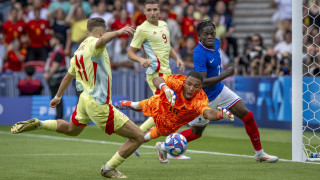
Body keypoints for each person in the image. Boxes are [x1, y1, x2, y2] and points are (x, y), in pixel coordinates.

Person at [11, 17, 144, 178]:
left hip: (84, 99)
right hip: (98, 103)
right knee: (138, 137)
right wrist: (119, 31)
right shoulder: (95, 45)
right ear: (101, 31)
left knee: (71, 130)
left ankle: (40, 124)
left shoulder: (78, 52)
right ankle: (109, 168)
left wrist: (57, 96)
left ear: (87, 32)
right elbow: (101, 42)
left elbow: (67, 77)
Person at [178, 20, 279, 163]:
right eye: (205, 34)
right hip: (206, 98)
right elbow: (202, 82)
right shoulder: (199, 53)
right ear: (199, 35)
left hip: (220, 90)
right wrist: (226, 74)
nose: (209, 36)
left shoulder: (216, 43)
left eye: (212, 33)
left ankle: (259, 153)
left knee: (247, 116)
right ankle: (165, 146)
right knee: (196, 132)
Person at [115, 71, 234, 163]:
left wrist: (219, 115)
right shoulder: (177, 81)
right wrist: (164, 87)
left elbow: (209, 114)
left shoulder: (201, 99)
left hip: (172, 121)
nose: (191, 88)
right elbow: (157, 79)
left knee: (150, 136)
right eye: (189, 84)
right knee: (144, 104)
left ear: (200, 88)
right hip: (162, 104)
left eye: (196, 86)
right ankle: (127, 104)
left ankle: (138, 140)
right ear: (184, 82)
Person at [127, 0, 185, 147]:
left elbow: (167, 46)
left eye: (155, 10)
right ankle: (165, 146)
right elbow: (130, 53)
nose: (152, 13)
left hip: (167, 72)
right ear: (144, 12)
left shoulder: (164, 25)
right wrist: (140, 59)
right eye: (149, 10)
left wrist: (177, 58)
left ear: (159, 11)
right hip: (155, 75)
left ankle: (137, 137)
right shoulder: (142, 29)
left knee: (165, 110)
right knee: (168, 110)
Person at [44, 33, 67, 120]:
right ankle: (59, 116)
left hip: (57, 79)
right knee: (57, 98)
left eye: (52, 39)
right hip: (56, 79)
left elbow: (55, 67)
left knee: (57, 98)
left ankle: (59, 117)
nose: (50, 41)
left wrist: (48, 75)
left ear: (57, 41)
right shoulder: (55, 52)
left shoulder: (59, 52)